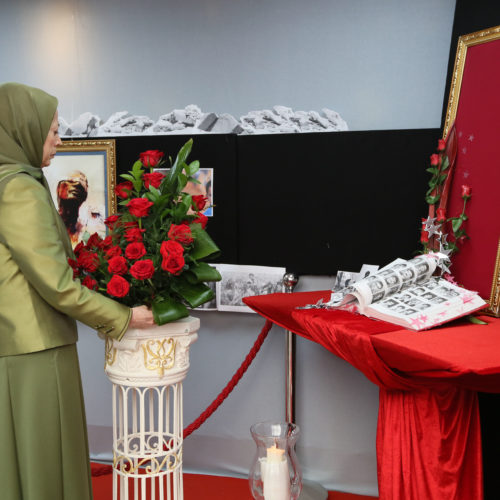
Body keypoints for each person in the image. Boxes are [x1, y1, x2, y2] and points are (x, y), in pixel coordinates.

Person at [0, 82, 155, 500]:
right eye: (52, 130)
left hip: (17, 348)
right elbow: (55, 284)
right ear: (25, 130)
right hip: (37, 349)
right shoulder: (20, 189)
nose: (59, 139)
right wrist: (123, 317)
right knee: (46, 461)